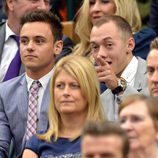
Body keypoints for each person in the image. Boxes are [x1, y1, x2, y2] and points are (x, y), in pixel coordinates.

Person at [0, 9, 63, 157]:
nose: (29, 47)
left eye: (39, 41)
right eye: (24, 41)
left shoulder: (70, 87)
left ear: (57, 47)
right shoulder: (4, 92)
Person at [22, 55, 105, 158]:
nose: (65, 92)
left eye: (74, 85)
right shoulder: (36, 142)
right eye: (60, 86)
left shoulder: (107, 138)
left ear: (90, 91)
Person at [90, 15, 147, 122]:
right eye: (95, 47)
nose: (100, 55)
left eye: (109, 44)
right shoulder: (100, 97)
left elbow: (151, 118)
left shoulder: (151, 76)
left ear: (129, 45)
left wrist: (119, 88)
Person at [0, 0, 73, 82]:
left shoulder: (59, 43)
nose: (42, 7)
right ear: (10, 2)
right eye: (35, 1)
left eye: (46, 2)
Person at [73, 0, 156, 60]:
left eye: (105, 1)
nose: (95, 9)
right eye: (91, 3)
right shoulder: (80, 51)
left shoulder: (142, 43)